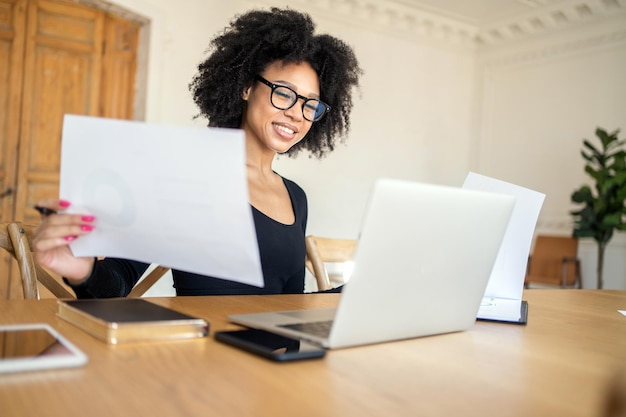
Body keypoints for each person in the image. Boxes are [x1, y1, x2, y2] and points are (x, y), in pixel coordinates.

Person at [32, 7, 362, 297]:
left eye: (310, 104)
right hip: (207, 361)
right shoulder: (185, 177)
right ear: (247, 87)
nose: (295, 112)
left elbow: (290, 306)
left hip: (282, 364)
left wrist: (361, 289)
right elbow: (116, 284)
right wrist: (82, 271)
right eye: (285, 93)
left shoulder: (296, 197)